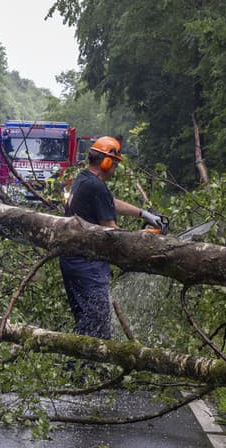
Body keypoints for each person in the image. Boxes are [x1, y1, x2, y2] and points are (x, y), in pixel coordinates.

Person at [60, 136, 166, 339]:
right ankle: (81, 369)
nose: (115, 169)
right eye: (114, 164)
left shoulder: (83, 179)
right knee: (96, 325)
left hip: (73, 260)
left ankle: (80, 367)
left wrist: (144, 214)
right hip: (87, 266)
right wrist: (141, 237)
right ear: (106, 162)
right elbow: (112, 232)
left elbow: (109, 201)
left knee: (87, 322)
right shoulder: (95, 186)